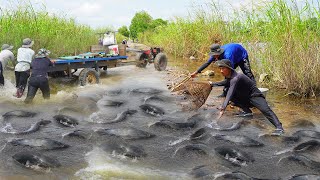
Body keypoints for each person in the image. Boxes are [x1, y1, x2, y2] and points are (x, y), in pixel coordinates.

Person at [213, 59, 284, 135]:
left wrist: (223, 108)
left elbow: (231, 92)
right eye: (220, 69)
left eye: (223, 68)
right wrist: (213, 84)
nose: (221, 71)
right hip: (245, 97)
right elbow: (226, 83)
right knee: (226, 91)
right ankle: (247, 111)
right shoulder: (230, 76)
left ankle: (279, 128)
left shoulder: (236, 77)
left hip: (255, 96)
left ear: (229, 68)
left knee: (266, 110)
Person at [191, 43, 255, 97]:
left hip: (241, 55)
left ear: (219, 52)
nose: (215, 57)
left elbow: (230, 71)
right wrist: (196, 72)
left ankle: (254, 90)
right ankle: (225, 93)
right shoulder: (214, 54)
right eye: (213, 55)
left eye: (216, 55)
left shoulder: (228, 55)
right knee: (226, 74)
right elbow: (207, 63)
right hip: (233, 55)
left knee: (247, 73)